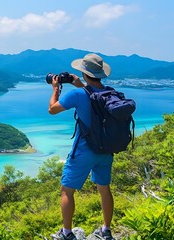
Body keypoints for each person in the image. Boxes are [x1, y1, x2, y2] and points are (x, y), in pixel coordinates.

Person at [48, 53, 115, 240]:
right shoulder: (109, 93)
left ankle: (67, 233)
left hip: (84, 151)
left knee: (67, 190)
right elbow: (92, 94)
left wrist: (56, 89)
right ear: (100, 74)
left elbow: (52, 109)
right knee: (104, 189)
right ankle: (106, 230)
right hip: (105, 150)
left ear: (84, 73)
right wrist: (80, 84)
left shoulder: (78, 94)